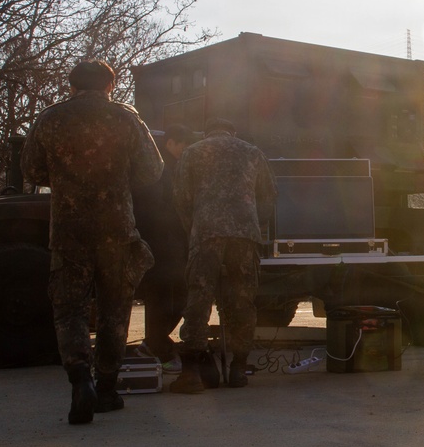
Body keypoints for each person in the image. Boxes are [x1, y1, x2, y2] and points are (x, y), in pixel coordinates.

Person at [21, 60, 164, 425]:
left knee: (69, 309)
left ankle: (79, 378)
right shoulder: (126, 117)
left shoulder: (49, 118)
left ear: (71, 85)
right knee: (115, 309)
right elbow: (152, 170)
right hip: (116, 229)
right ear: (110, 85)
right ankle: (107, 388)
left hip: (68, 231)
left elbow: (32, 170)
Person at [170, 117, 277, 393]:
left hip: (206, 232)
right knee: (242, 299)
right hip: (245, 233)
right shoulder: (252, 152)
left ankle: (192, 372)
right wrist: (254, 225)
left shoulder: (194, 152)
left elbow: (181, 197)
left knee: (199, 296)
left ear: (206, 133)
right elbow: (269, 197)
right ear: (233, 131)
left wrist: (193, 229)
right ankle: (239, 368)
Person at [133, 124, 195, 373]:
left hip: (163, 243)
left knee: (168, 297)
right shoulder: (160, 168)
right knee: (168, 298)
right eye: (183, 145)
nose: (185, 150)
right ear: (171, 142)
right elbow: (163, 207)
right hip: (164, 244)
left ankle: (154, 344)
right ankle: (157, 347)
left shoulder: (159, 165)